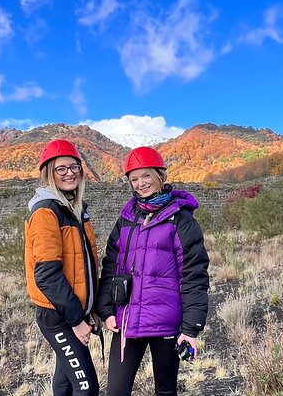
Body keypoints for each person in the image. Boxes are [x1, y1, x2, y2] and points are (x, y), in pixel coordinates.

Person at [96, 146, 210, 396]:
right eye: (134, 178)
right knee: (115, 391)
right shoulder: (126, 218)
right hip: (127, 321)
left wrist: (190, 329)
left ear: (160, 175)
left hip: (167, 325)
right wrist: (106, 311)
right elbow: (111, 265)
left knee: (166, 391)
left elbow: (193, 276)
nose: (140, 183)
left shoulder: (181, 220)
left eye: (146, 175)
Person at [24, 139, 100, 396]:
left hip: (73, 311)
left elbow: (85, 266)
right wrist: (77, 320)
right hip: (59, 316)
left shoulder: (75, 211)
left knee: (66, 382)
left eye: (74, 167)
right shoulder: (47, 212)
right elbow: (46, 274)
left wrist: (92, 309)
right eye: (61, 169)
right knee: (86, 386)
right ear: (49, 174)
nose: (70, 173)